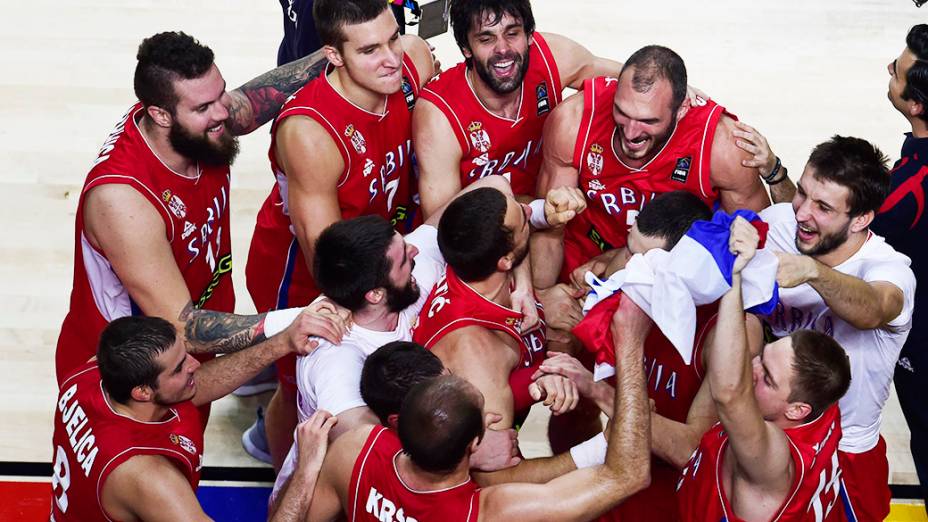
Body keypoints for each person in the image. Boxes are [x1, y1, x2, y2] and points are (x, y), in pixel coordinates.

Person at [55, 31, 328, 386]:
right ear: (160, 115)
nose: (222, 112)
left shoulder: (195, 126)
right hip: (132, 382)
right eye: (203, 108)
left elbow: (248, 104)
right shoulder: (122, 201)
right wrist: (291, 322)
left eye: (220, 94)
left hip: (186, 353)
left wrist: (338, 52)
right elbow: (182, 326)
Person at [243, 0, 438, 469]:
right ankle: (276, 465)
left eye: (392, 38)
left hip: (380, 245)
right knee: (301, 390)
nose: (391, 57)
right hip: (311, 271)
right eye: (370, 50)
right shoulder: (310, 130)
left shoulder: (410, 62)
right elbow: (326, 254)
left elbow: (420, 58)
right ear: (333, 55)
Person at [306, 293, 654, 522]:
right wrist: (630, 345)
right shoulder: (491, 512)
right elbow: (627, 475)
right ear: (473, 445)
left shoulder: (357, 451)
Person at [536, 191, 766, 521]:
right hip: (612, 480)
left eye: (645, 260)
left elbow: (691, 450)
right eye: (630, 249)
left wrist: (598, 391)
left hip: (676, 502)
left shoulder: (729, 331)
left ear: (685, 267)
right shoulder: (627, 271)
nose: (629, 266)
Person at [50, 305, 348, 522]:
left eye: (185, 355)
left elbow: (197, 384)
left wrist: (282, 342)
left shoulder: (90, 375)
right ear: (142, 392)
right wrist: (307, 468)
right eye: (179, 367)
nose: (194, 364)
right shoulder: (151, 479)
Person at [759, 136, 917, 521]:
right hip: (769, 438)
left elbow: (875, 308)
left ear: (861, 219)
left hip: (844, 455)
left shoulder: (888, 269)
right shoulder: (781, 225)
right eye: (803, 193)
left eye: (823, 207)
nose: (801, 213)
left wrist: (813, 272)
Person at [531, 44, 776, 291]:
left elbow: (755, 242)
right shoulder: (573, 120)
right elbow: (550, 229)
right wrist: (544, 297)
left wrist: (625, 258)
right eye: (622, 112)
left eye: (648, 121)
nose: (631, 132)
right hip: (584, 257)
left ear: (681, 110)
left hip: (674, 270)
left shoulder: (723, 147)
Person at [676, 216, 851, 521]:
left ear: (797, 410)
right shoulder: (823, 404)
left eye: (767, 378)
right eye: (763, 357)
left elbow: (729, 394)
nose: (751, 367)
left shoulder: (771, 460)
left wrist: (736, 277)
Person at [412, 0, 621, 217]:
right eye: (486, 39)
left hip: (555, 210)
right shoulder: (438, 113)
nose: (502, 49)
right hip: (483, 233)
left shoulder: (551, 56)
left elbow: (637, 87)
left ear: (530, 35)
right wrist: (536, 212)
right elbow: (444, 226)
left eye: (512, 34)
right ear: (466, 48)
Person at [412, 184, 582, 429]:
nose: (528, 210)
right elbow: (499, 461)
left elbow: (510, 202)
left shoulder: (473, 254)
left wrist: (527, 288)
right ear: (505, 260)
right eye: (524, 220)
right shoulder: (477, 351)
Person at [269, 341, 449, 520]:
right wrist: (305, 469)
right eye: (442, 403)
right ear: (396, 420)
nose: (456, 396)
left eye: (453, 378)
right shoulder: (351, 456)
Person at [871, 23, 928, 511]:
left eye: (897, 70)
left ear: (916, 106)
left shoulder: (906, 191)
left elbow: (849, 250)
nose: (890, 69)